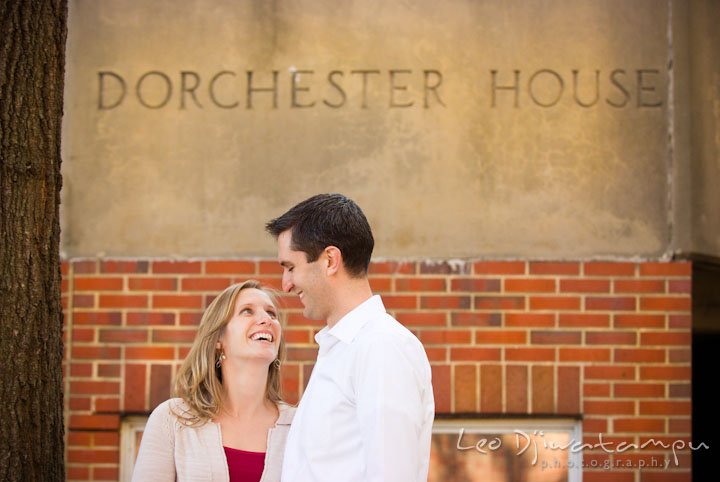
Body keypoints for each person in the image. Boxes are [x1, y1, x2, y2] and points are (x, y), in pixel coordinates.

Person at [266, 193, 435, 482]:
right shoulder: (344, 347)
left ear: (330, 260)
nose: (286, 284)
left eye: (291, 267)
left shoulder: (381, 347)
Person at [132, 280, 294, 482]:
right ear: (218, 339)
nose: (266, 320)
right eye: (247, 311)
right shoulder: (172, 420)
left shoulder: (298, 425)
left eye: (272, 314)